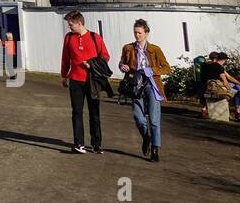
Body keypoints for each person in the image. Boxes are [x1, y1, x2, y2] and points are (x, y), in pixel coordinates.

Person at [118, 19, 170, 162]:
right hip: (135, 85)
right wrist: (123, 66)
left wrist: (151, 70)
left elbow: (167, 68)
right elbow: (121, 63)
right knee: (138, 118)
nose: (137, 35)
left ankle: (155, 150)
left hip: (152, 85)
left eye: (140, 33)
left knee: (154, 120)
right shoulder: (128, 48)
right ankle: (146, 137)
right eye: (135, 32)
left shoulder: (155, 50)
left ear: (146, 33)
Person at [60, 12, 110, 154]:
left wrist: (92, 64)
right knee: (76, 112)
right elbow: (65, 57)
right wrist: (64, 75)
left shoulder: (95, 37)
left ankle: (96, 144)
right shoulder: (69, 37)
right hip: (75, 80)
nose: (69, 26)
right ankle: (79, 144)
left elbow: (105, 56)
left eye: (71, 24)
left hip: (92, 81)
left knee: (94, 113)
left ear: (79, 23)